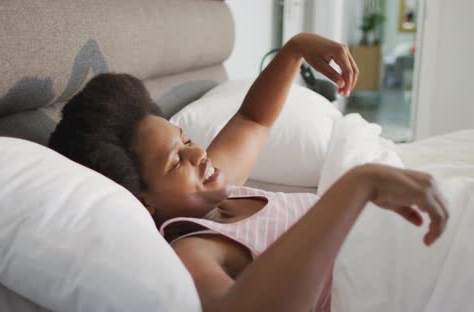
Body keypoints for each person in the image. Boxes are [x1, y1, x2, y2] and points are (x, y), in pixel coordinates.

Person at [48, 33, 448, 312]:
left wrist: (294, 51)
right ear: (143, 200)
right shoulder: (194, 249)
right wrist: (354, 187)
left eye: (185, 139)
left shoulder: (219, 193)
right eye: (175, 161)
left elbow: (253, 119)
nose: (197, 154)